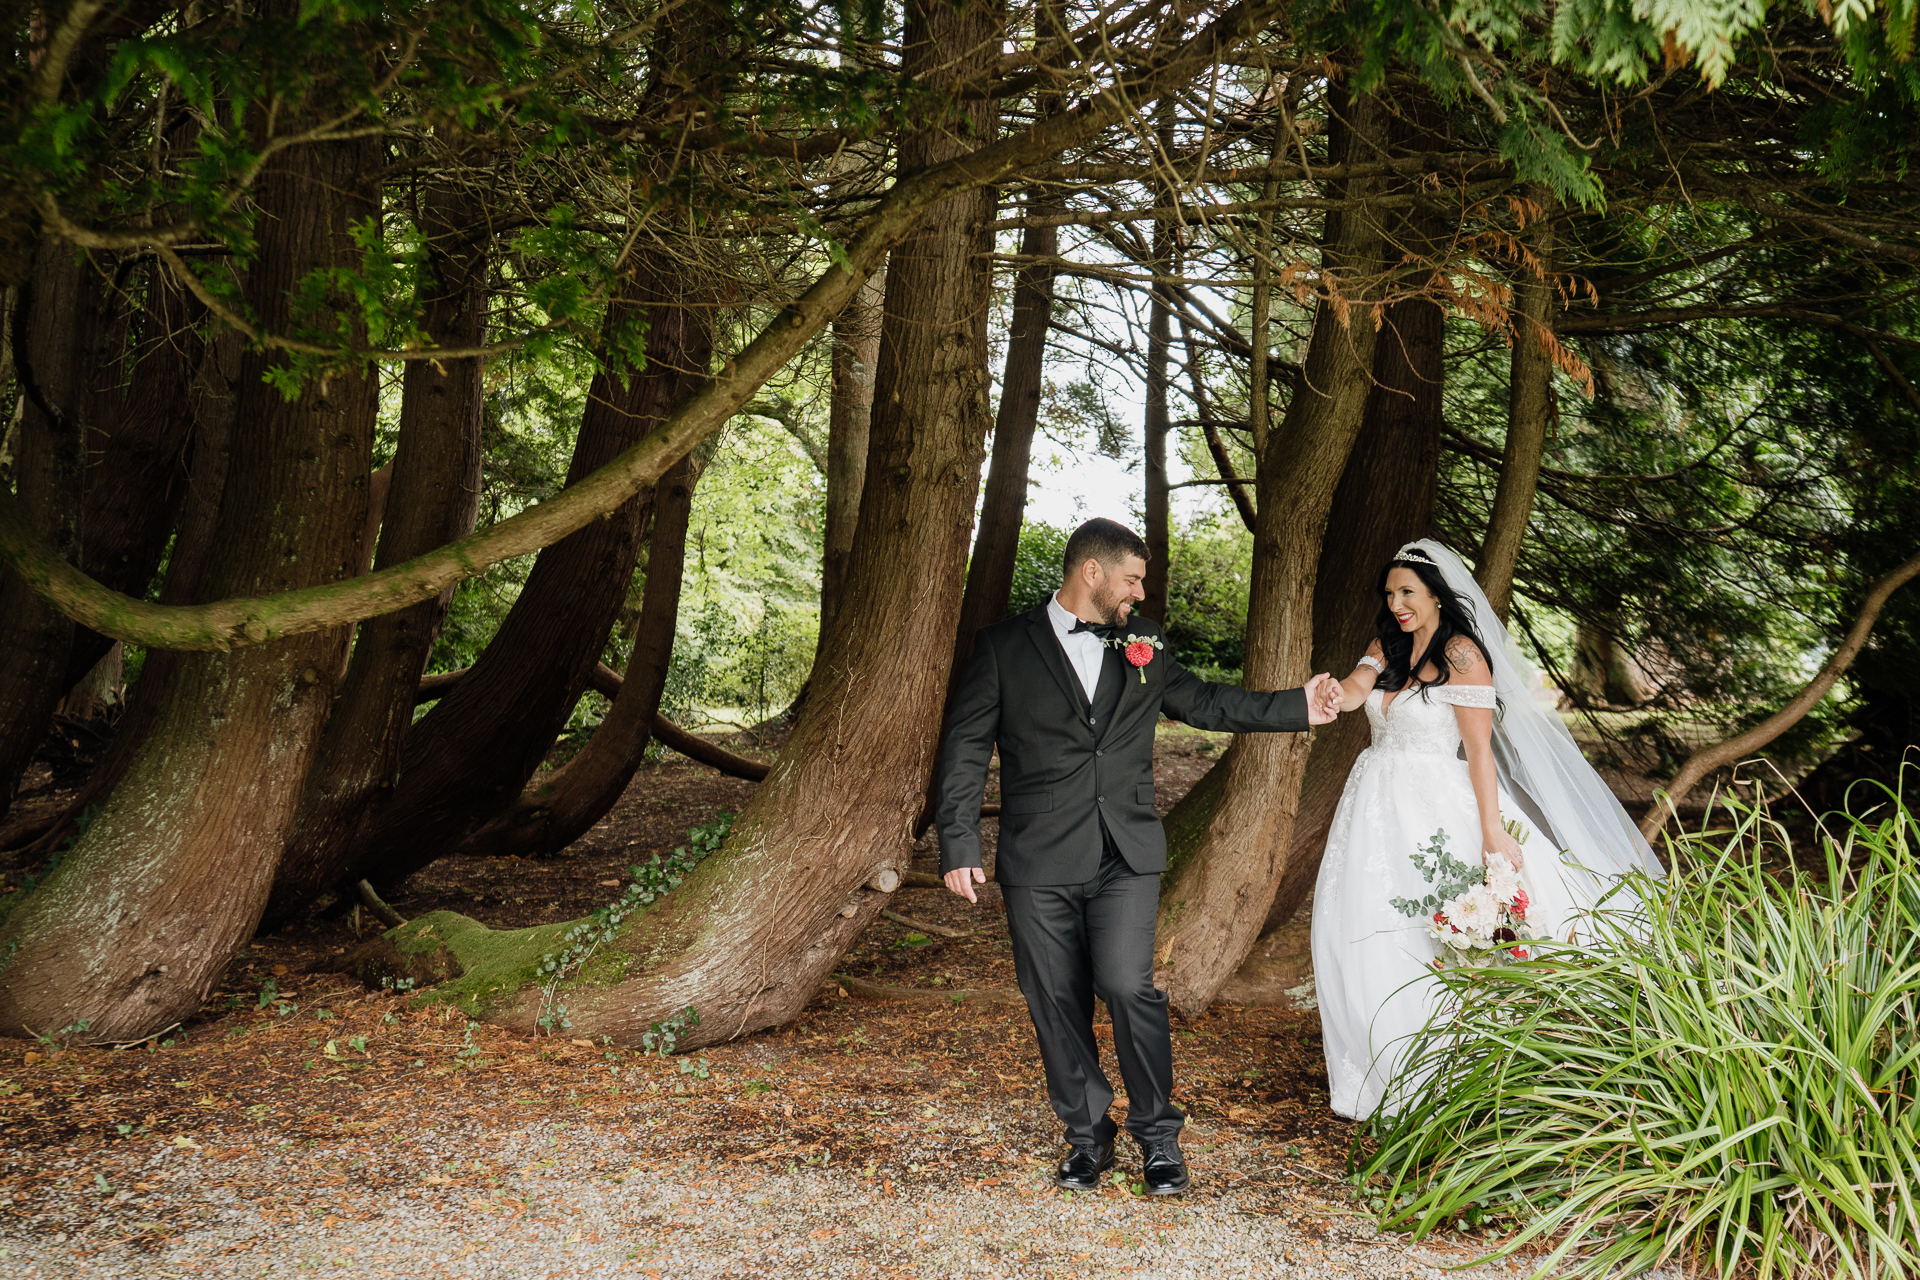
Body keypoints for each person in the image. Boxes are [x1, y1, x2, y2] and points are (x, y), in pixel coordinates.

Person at [936, 518, 1341, 1194]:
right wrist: (957, 841)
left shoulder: (1142, 642)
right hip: (1038, 857)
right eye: (1132, 579)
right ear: (1090, 573)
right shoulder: (1003, 648)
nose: (1139, 592)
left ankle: (1159, 1139)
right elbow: (966, 747)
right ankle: (1088, 1136)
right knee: (1056, 1002)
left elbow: (1207, 703)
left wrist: (1299, 705)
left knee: (1129, 986)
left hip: (1125, 852)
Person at [1310, 540, 1665, 1119]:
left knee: (1439, 926)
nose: (1397, 603)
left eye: (1408, 593)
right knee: (1364, 923)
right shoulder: (1387, 645)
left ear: (1435, 594)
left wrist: (1492, 832)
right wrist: (1332, 691)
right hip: (1372, 799)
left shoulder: (1463, 654)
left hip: (1434, 802)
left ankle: (1456, 1071)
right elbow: (1353, 694)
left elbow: (1478, 753)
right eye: (1391, 593)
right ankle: (1382, 1072)